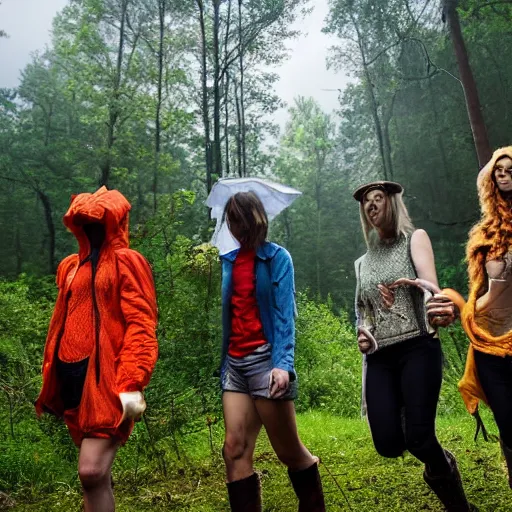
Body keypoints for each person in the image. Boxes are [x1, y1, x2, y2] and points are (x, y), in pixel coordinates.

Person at [353, 181, 476, 511]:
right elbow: (363, 311)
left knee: (419, 440)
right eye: (366, 202)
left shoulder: (415, 239)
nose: (371, 205)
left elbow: (431, 291)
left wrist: (434, 301)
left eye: (378, 199)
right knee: (389, 444)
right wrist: (363, 334)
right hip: (380, 356)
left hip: (418, 347)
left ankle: (457, 502)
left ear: (392, 203)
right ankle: (409, 416)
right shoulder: (362, 262)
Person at [35, 187, 158, 512]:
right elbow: (61, 321)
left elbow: (141, 325)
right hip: (71, 380)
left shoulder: (127, 263)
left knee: (91, 471)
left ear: (114, 222)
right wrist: (50, 371)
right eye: (84, 221)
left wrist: (132, 381)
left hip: (109, 382)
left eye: (97, 221)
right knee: (95, 479)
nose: (91, 227)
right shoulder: (70, 266)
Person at [219, 191, 325, 512]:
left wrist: (283, 364)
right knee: (234, 449)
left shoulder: (278, 259)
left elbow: (284, 317)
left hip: (267, 363)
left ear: (256, 218)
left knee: (289, 452)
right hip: (234, 367)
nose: (236, 226)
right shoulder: (227, 263)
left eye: (240, 218)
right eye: (231, 219)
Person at [442, 146, 512, 489]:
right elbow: (480, 289)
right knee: (508, 421)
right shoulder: (484, 235)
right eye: (498, 171)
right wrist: (464, 309)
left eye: (511, 169)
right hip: (489, 343)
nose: (504, 174)